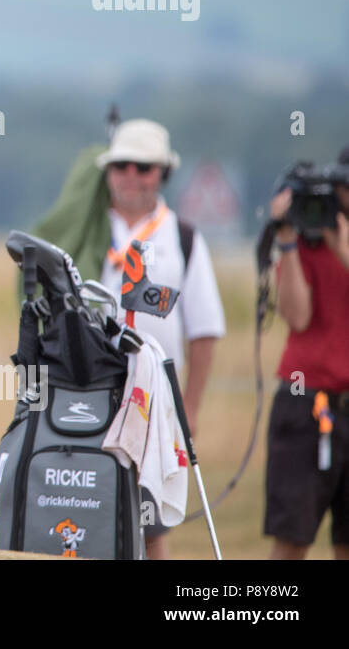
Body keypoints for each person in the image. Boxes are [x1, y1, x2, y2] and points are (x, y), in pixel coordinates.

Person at [94, 118, 225, 559]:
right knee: (86, 509)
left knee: (151, 524)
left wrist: (190, 411)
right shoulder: (86, 230)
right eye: (122, 165)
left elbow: (204, 330)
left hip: (160, 403)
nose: (132, 175)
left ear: (163, 173)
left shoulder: (184, 237)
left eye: (144, 166)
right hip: (93, 394)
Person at [265, 145, 349, 560]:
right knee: (292, 540)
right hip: (307, 404)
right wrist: (286, 239)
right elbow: (297, 317)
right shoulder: (305, 241)